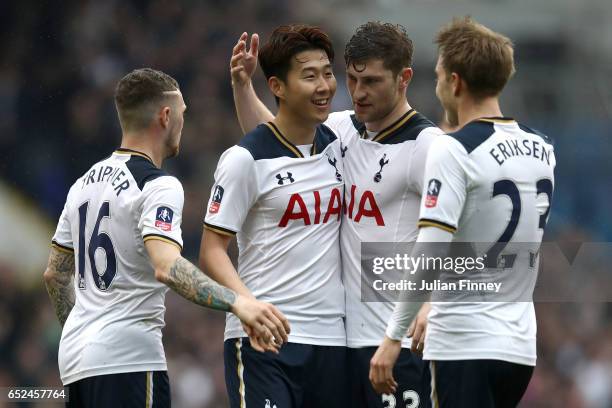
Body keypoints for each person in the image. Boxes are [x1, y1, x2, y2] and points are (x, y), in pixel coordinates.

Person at [43, 68, 289, 408]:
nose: (183, 125)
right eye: (183, 114)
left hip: (76, 362)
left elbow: (55, 274)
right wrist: (239, 302)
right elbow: (167, 266)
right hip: (129, 359)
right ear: (166, 115)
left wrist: (86, 333)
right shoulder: (159, 185)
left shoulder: (81, 186)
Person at [230, 22, 442, 407]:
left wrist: (433, 303)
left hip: (399, 344)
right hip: (345, 344)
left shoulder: (427, 146)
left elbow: (465, 229)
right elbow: (274, 145)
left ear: (404, 78)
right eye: (353, 79)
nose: (359, 93)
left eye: (373, 82)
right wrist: (244, 87)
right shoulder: (342, 128)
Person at [370, 17, 556, 408]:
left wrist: (392, 337)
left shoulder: (453, 149)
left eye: (438, 76)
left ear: (455, 82)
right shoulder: (543, 149)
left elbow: (430, 248)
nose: (437, 87)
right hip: (519, 350)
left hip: (464, 343)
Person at [199, 25, 347, 408]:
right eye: (309, 76)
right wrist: (246, 305)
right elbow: (212, 250)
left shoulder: (338, 148)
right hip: (263, 341)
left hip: (331, 341)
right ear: (278, 87)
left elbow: (288, 143)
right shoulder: (243, 160)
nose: (324, 86)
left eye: (327, 73)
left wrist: (243, 87)